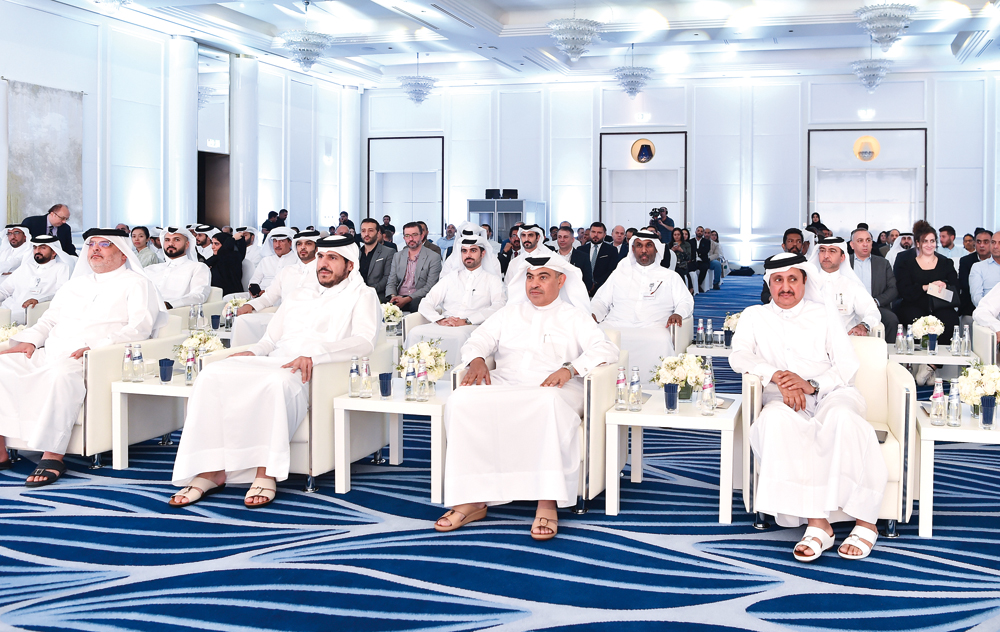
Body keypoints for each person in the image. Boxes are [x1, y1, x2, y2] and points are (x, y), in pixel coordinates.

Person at [168, 235, 378, 509]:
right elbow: (269, 339)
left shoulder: (362, 295)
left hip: (315, 369)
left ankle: (265, 472)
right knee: (211, 374)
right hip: (275, 360)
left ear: (350, 265)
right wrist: (253, 352)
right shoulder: (298, 294)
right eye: (321, 257)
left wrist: (315, 356)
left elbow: (365, 341)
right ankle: (210, 470)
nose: (323, 264)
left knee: (276, 382)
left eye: (332, 258)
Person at [435, 254, 618, 539]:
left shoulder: (574, 316)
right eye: (530, 277)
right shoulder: (510, 313)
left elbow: (606, 350)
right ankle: (472, 498)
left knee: (546, 403)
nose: (534, 284)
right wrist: (477, 359)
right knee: (461, 400)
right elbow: (477, 340)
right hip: (508, 381)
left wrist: (570, 369)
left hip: (556, 388)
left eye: (543, 277)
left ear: (561, 281)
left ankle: (547, 500)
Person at [730, 252, 887, 562]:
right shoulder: (753, 316)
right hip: (782, 396)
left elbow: (846, 364)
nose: (785, 286)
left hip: (832, 391)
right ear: (769, 284)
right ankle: (818, 523)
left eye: (792, 279)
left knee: (843, 420)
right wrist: (777, 376)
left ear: (804, 282)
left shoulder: (824, 313)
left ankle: (866, 520)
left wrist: (811, 385)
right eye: (778, 280)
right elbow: (739, 356)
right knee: (774, 423)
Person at [0, 229, 166, 486]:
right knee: (3, 365)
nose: (95, 249)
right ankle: (1, 450)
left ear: (122, 254)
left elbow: (139, 328)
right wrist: (28, 341)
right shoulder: (75, 284)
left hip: (92, 356)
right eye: (92, 245)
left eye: (105, 244)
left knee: (61, 374)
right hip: (51, 351)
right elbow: (49, 319)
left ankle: (53, 454)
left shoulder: (136, 283)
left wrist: (95, 345)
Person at [591, 230, 693, 380]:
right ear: (633, 249)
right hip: (616, 323)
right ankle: (604, 388)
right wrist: (593, 313)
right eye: (639, 245)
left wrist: (678, 313)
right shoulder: (619, 273)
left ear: (657, 249)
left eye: (649, 245)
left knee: (661, 340)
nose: (643, 250)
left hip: (654, 326)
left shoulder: (670, 276)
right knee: (596, 335)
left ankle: (657, 390)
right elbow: (600, 300)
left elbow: (685, 300)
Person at [406, 232, 506, 367]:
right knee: (414, 332)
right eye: (464, 251)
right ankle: (415, 379)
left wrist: (467, 320)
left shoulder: (492, 280)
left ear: (482, 254)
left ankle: (454, 382)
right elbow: (427, 301)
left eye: (473, 250)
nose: (468, 255)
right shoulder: (450, 278)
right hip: (445, 322)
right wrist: (439, 319)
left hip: (473, 326)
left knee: (459, 336)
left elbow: (499, 306)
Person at [232, 230, 320, 346]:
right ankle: (242, 359)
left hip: (311, 321)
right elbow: (269, 296)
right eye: (299, 244)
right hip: (282, 318)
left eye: (308, 244)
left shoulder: (324, 273)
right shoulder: (287, 271)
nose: (303, 247)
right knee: (242, 321)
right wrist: (250, 305)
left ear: (317, 248)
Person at [893, 221, 959, 346]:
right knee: (916, 321)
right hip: (914, 304)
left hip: (940, 305)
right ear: (918, 243)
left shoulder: (946, 263)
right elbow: (904, 289)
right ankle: (921, 360)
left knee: (950, 320)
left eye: (932, 241)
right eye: (925, 241)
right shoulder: (907, 264)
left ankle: (933, 364)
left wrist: (945, 285)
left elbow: (956, 286)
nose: (929, 245)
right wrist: (926, 287)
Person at [809, 236, 881, 336]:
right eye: (822, 250)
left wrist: (863, 325)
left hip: (844, 343)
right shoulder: (807, 284)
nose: (826, 255)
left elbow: (872, 311)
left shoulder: (852, 286)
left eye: (832, 251)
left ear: (842, 257)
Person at [0, 235, 73, 325]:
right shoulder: (26, 267)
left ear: (54, 252)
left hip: (32, 315)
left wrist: (39, 300)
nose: (37, 251)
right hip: (7, 311)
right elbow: (4, 290)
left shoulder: (62, 268)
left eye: (42, 247)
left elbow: (61, 294)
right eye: (35, 247)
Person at [143, 227, 212, 309]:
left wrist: (169, 304)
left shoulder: (198, 267)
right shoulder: (149, 269)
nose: (171, 243)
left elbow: (199, 295)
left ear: (187, 245)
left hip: (173, 314)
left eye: (177, 240)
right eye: (167, 240)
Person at [850, 228, 898, 342]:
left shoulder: (882, 263)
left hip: (877, 306)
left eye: (868, 240)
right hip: (850, 308)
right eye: (860, 241)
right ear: (852, 245)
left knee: (892, 320)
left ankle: (886, 353)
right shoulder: (844, 262)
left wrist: (876, 301)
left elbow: (893, 289)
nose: (865, 244)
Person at [386, 222, 442, 312]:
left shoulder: (433, 257)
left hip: (418, 297)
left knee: (416, 305)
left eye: (414, 235)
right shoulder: (398, 256)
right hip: (399, 296)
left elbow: (430, 286)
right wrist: (393, 297)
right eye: (407, 236)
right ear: (404, 238)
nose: (411, 239)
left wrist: (407, 299)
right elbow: (391, 281)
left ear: (422, 236)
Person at [761, 228, 808, 303]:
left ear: (802, 246)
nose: (795, 244)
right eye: (790, 241)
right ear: (783, 246)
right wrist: (776, 299)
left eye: (798, 241)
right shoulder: (774, 265)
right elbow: (764, 295)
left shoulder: (808, 267)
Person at [573, 222, 619, 297]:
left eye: (599, 232)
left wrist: (595, 284)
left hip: (603, 289)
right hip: (582, 290)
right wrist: (587, 284)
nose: (596, 235)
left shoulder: (611, 250)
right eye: (593, 232)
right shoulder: (581, 249)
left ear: (604, 234)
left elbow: (612, 270)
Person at [249, 227, 297, 295]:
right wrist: (256, 291)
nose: (277, 245)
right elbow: (254, 280)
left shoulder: (297, 260)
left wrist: (270, 293)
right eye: (275, 241)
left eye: (282, 241)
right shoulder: (265, 260)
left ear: (290, 243)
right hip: (261, 298)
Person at [357, 218, 394, 301]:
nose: (366, 234)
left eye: (370, 230)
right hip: (356, 295)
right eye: (363, 231)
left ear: (378, 233)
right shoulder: (356, 253)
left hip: (377, 296)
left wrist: (368, 291)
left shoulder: (388, 252)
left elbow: (387, 277)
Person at [959, 229, 992, 322]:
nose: (982, 245)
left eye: (986, 242)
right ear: (974, 243)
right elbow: (965, 285)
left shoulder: (997, 260)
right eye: (978, 242)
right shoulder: (965, 261)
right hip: (971, 305)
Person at [206, 231, 248, 297]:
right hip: (217, 295)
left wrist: (232, 239)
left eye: (216, 244)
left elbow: (223, 252)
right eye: (212, 243)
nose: (212, 247)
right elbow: (205, 264)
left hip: (231, 296)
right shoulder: (216, 258)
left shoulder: (234, 257)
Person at [969, 231, 1000, 308]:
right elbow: (976, 299)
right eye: (993, 242)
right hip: (988, 312)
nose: (995, 246)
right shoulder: (978, 267)